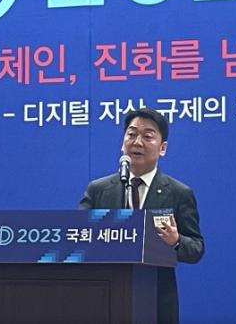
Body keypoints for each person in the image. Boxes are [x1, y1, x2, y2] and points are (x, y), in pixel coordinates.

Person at [79, 107, 204, 324]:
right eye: (132, 134)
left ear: (162, 148)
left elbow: (196, 249)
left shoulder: (178, 193)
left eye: (147, 136)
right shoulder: (98, 190)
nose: (137, 142)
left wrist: (176, 241)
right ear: (122, 143)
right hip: (105, 297)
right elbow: (77, 236)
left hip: (156, 300)